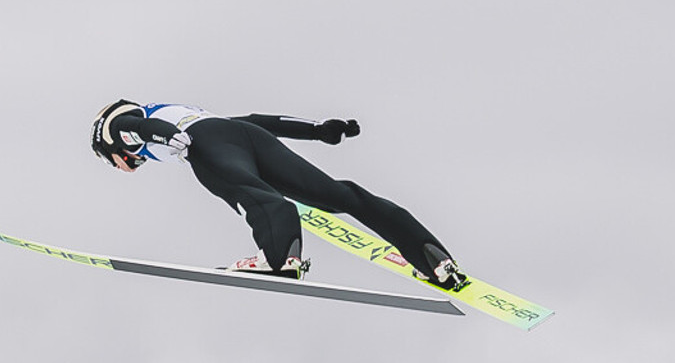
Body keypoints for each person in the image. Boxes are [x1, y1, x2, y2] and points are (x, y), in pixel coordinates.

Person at [89, 99, 470, 289]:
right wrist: (319, 129)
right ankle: (432, 258)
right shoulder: (185, 111)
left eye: (119, 163)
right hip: (245, 137)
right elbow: (259, 123)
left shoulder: (119, 126)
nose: (129, 166)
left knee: (251, 193)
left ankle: (278, 257)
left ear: (110, 148)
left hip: (205, 144)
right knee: (341, 195)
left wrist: (171, 139)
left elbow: (140, 125)